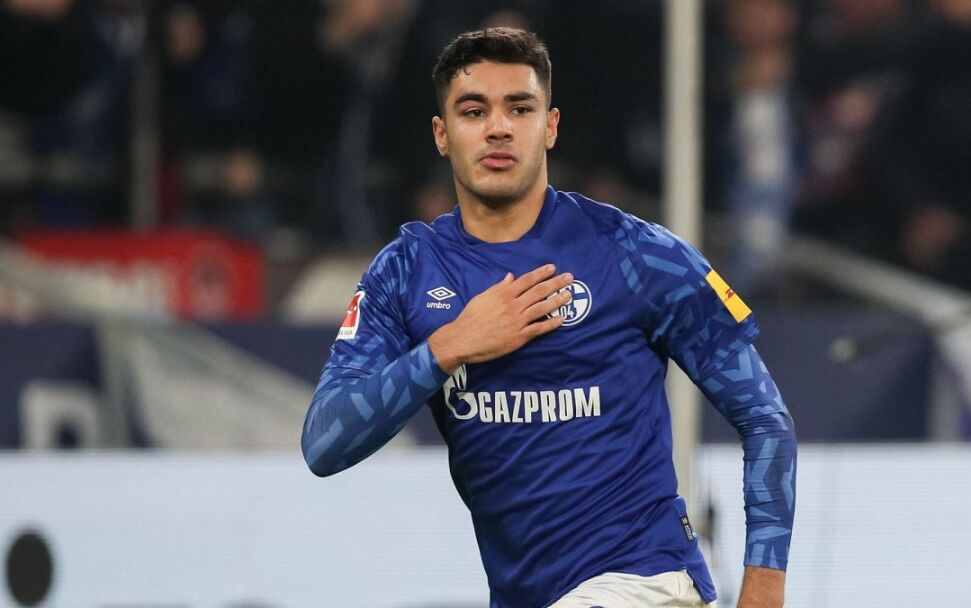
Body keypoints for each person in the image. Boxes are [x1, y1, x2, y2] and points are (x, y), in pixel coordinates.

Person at [301, 28, 796, 608]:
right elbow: (324, 442)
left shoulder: (637, 254)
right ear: (441, 134)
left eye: (520, 108)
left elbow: (765, 418)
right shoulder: (405, 272)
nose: (498, 128)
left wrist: (764, 592)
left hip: (645, 582)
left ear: (550, 126)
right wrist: (448, 346)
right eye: (473, 111)